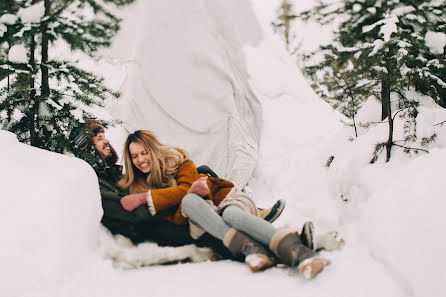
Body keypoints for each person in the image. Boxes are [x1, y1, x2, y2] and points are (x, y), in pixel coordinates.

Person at [118, 130, 331, 278]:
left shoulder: (179, 161)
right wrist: (170, 198)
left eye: (144, 152)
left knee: (228, 215)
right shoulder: (139, 186)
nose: (141, 159)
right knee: (192, 201)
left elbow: (185, 188)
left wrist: (148, 199)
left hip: (226, 200)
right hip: (201, 219)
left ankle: (296, 253)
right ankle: (291, 244)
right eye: (134, 155)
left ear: (154, 150)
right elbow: (176, 214)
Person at [70, 119, 284, 253]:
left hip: (157, 212)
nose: (106, 141)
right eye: (99, 139)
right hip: (149, 226)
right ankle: (267, 245)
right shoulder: (93, 180)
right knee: (212, 230)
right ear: (87, 147)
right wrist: (176, 198)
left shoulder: (113, 172)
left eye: (104, 136)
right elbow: (133, 212)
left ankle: (243, 210)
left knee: (202, 171)